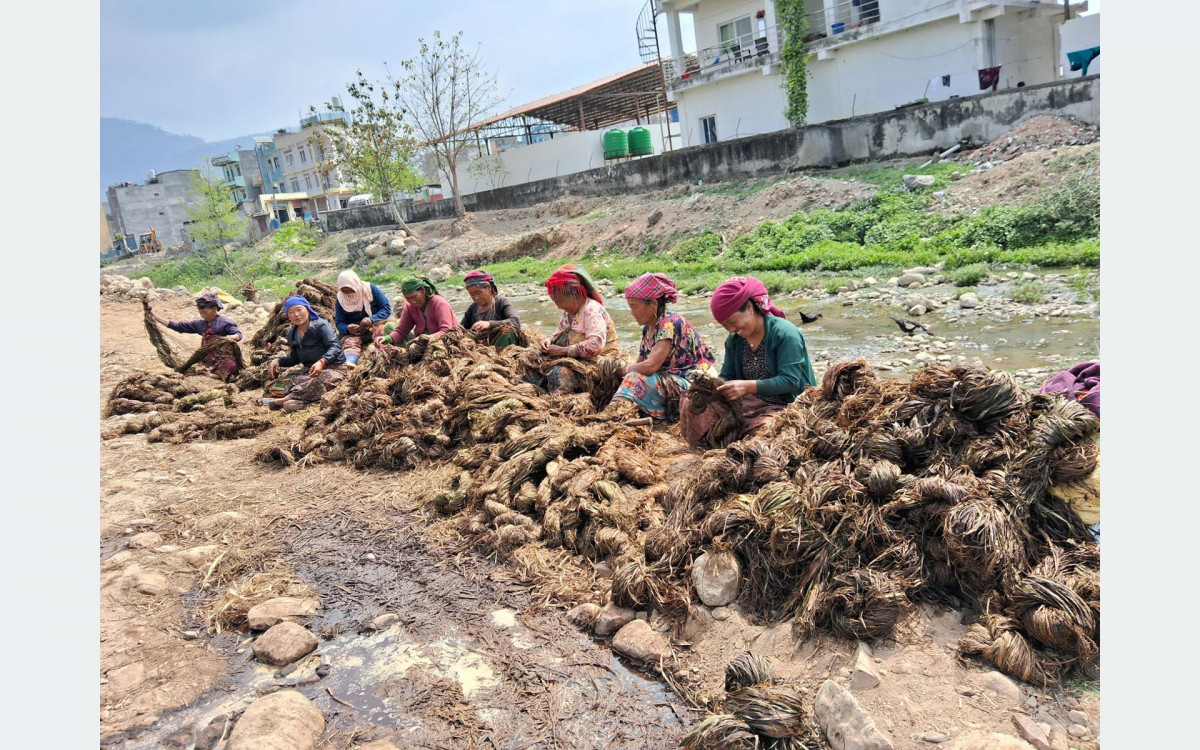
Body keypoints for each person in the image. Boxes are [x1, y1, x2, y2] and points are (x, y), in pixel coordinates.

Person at [680, 276, 816, 446]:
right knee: (692, 401)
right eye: (725, 326)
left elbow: (791, 382)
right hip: (749, 405)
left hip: (786, 406)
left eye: (732, 322)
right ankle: (707, 444)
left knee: (769, 433)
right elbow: (727, 376)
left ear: (750, 308)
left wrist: (746, 387)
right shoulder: (734, 341)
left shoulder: (784, 333)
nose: (731, 329)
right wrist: (714, 387)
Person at [609, 272, 716, 420]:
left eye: (634, 307)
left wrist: (624, 370)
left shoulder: (669, 323)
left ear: (653, 304)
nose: (631, 313)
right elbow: (640, 363)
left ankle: (611, 416)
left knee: (633, 378)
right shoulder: (648, 328)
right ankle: (619, 413)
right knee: (628, 377)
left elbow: (650, 366)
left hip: (692, 386)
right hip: (670, 381)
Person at [530, 264, 620, 395]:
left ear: (573, 294)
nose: (559, 307)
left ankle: (559, 398)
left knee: (559, 372)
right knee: (532, 357)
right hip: (573, 358)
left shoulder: (591, 311)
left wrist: (562, 351)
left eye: (559, 301)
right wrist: (549, 340)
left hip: (597, 360)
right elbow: (560, 330)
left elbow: (595, 346)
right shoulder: (569, 311)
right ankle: (536, 388)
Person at [259, 296, 346, 412]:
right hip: (309, 370)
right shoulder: (291, 334)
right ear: (288, 316)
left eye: (299, 310)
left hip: (334, 368)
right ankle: (300, 401)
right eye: (291, 312)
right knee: (279, 385)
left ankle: (279, 402)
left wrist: (322, 361)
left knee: (318, 381)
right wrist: (278, 361)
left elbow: (335, 347)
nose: (296, 314)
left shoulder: (321, 326)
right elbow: (295, 358)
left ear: (308, 310)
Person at [150, 293, 243, 381]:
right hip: (207, 360)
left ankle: (216, 375)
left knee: (231, 365)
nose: (202, 315)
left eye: (205, 312)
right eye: (200, 312)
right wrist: (156, 317)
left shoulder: (225, 322)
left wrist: (233, 337)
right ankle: (210, 372)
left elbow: (238, 334)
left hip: (223, 358)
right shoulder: (199, 324)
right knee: (189, 369)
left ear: (215, 309)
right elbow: (179, 326)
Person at [333, 269, 392, 367]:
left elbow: (386, 309)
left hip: (375, 325)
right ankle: (350, 361)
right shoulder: (340, 299)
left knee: (381, 334)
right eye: (344, 290)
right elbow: (339, 322)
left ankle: (382, 357)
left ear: (355, 284)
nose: (348, 293)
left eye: (350, 289)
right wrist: (347, 328)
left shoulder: (370, 289)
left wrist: (372, 319)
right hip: (356, 333)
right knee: (350, 342)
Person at [377, 275, 456, 347]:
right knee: (389, 327)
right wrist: (386, 339)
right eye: (408, 299)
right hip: (421, 342)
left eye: (414, 297)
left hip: (442, 341)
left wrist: (426, 338)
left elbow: (446, 331)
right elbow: (401, 331)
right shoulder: (409, 307)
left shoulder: (439, 303)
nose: (412, 301)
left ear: (423, 290)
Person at [460, 269, 523, 349]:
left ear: (489, 287)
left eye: (479, 292)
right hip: (482, 347)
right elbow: (462, 328)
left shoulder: (501, 302)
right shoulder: (473, 308)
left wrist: (490, 324)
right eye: (471, 294)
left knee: (508, 331)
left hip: (501, 345)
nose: (476, 298)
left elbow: (515, 321)